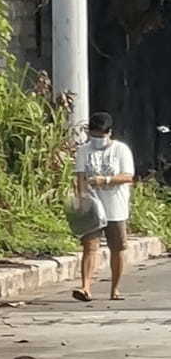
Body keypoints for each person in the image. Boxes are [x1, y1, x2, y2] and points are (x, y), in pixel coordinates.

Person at [73, 111, 135, 302]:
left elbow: (128, 176)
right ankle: (86, 287)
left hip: (115, 207)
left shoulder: (120, 150)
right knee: (89, 246)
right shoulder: (84, 151)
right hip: (92, 206)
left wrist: (105, 180)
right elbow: (80, 178)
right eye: (94, 135)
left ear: (109, 133)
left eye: (101, 135)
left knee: (117, 247)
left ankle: (115, 288)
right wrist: (82, 199)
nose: (97, 139)